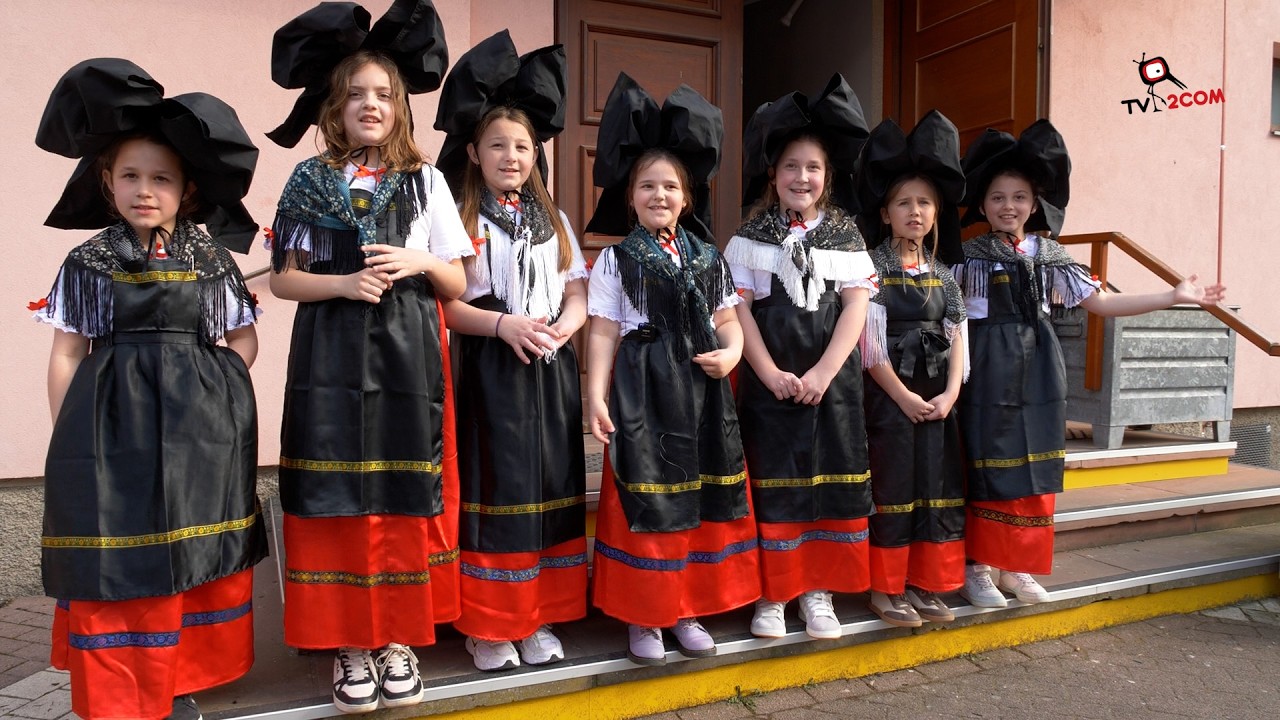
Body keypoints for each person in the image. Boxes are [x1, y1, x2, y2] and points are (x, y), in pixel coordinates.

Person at [33, 58, 265, 720]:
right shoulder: (89, 260)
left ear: (186, 190)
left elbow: (241, 338)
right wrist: (68, 436)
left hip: (201, 433)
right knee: (120, 546)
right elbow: (67, 350)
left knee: (191, 539)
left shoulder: (212, 259)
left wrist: (217, 386)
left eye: (160, 178)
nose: (144, 190)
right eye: (130, 176)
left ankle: (184, 669)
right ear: (107, 183)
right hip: (109, 429)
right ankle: (118, 686)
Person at [265, 1, 471, 713]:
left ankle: (398, 638)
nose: (370, 105)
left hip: (410, 355)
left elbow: (458, 281)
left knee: (400, 496)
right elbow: (286, 278)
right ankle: (349, 641)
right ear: (335, 105)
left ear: (402, 107)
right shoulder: (306, 179)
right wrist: (345, 282)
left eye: (384, 94)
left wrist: (417, 259)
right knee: (337, 498)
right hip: (329, 356)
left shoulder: (427, 183)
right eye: (356, 94)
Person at [954, 120, 1227, 609]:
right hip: (985, 372)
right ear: (982, 204)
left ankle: (1017, 567)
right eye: (997, 197)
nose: (1008, 206)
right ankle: (978, 568)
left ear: (1035, 204)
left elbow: (1101, 305)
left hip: (1038, 373)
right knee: (984, 467)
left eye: (1019, 196)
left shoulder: (1053, 256)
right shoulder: (966, 258)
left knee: (1034, 470)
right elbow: (947, 318)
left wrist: (1172, 295)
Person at [584, 73, 759, 666]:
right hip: (643, 390)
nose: (659, 195)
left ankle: (685, 607)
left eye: (670, 186)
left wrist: (732, 352)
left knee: (696, 499)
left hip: (701, 391)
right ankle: (644, 616)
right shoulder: (614, 259)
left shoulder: (709, 256)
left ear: (687, 196)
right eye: (647, 185)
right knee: (647, 497)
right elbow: (604, 331)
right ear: (629, 195)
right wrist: (597, 397)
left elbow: (730, 320)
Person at [433, 30, 589, 672]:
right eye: (497, 144)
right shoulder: (459, 217)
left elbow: (579, 292)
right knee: (496, 493)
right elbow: (445, 304)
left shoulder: (552, 220)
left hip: (550, 371)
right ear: (473, 151)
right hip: (489, 370)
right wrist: (503, 328)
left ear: (535, 156)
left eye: (522, 146)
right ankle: (491, 622)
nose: (511, 155)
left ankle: (537, 615)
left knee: (549, 487)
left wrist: (562, 329)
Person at [724, 74, 876, 640]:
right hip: (770, 382)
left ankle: (819, 594)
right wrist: (765, 373)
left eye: (812, 167)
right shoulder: (748, 237)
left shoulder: (846, 235)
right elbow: (736, 310)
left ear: (827, 176)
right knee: (775, 481)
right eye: (790, 166)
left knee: (827, 484)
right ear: (772, 174)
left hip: (830, 385)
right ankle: (773, 593)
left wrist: (822, 372)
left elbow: (856, 310)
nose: (801, 177)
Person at [854, 111, 968, 627]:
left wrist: (949, 395)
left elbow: (958, 333)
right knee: (893, 486)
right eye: (904, 203)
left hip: (937, 401)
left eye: (924, 203)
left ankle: (924, 584)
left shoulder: (946, 274)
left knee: (933, 485)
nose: (915, 211)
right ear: (885, 213)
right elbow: (867, 344)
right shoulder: (869, 268)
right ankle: (885, 589)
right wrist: (901, 396)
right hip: (888, 399)